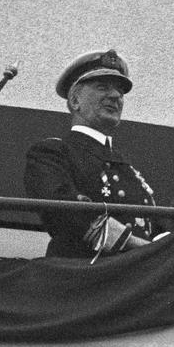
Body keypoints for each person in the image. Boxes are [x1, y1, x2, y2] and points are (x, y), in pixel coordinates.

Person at [23, 49, 161, 259]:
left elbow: (156, 228)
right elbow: (67, 214)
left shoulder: (128, 169)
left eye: (120, 92)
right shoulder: (52, 153)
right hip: (84, 279)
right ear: (75, 100)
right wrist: (144, 249)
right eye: (102, 87)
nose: (115, 96)